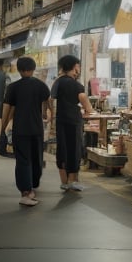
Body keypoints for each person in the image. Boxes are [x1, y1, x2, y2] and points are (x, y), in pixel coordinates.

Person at [1, 56, 53, 207]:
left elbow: (7, 109)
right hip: (36, 129)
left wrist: (3, 127)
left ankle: (25, 192)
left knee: (23, 160)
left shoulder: (13, 87)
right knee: (37, 159)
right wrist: (50, 115)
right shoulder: (41, 85)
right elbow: (48, 103)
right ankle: (32, 186)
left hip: (20, 130)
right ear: (33, 68)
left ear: (18, 69)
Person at [52, 54, 94, 193]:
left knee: (62, 150)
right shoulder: (76, 85)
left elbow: (51, 99)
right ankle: (72, 181)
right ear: (75, 67)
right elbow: (82, 97)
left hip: (60, 121)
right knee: (74, 150)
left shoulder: (57, 82)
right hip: (73, 121)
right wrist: (88, 109)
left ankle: (64, 182)